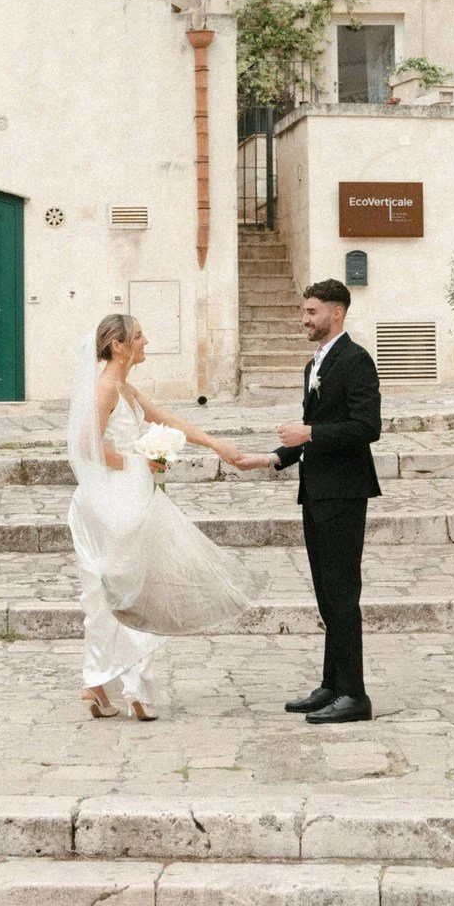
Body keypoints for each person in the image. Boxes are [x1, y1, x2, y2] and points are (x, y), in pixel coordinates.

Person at [68, 313, 268, 720]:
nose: (146, 341)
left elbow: (166, 419)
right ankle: (134, 689)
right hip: (112, 501)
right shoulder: (105, 388)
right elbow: (86, 448)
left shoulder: (124, 386)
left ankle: (96, 684)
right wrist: (140, 462)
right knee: (135, 591)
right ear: (119, 346)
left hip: (124, 497)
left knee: (111, 592)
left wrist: (216, 444)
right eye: (138, 336)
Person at [269, 278, 382, 724]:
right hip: (315, 491)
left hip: (344, 492)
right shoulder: (314, 364)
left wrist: (309, 433)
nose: (304, 319)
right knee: (325, 593)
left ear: (336, 313)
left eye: (312, 312)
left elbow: (366, 427)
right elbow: (309, 432)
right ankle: (332, 685)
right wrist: (272, 457)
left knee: (342, 592)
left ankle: (355, 695)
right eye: (304, 311)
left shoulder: (356, 360)